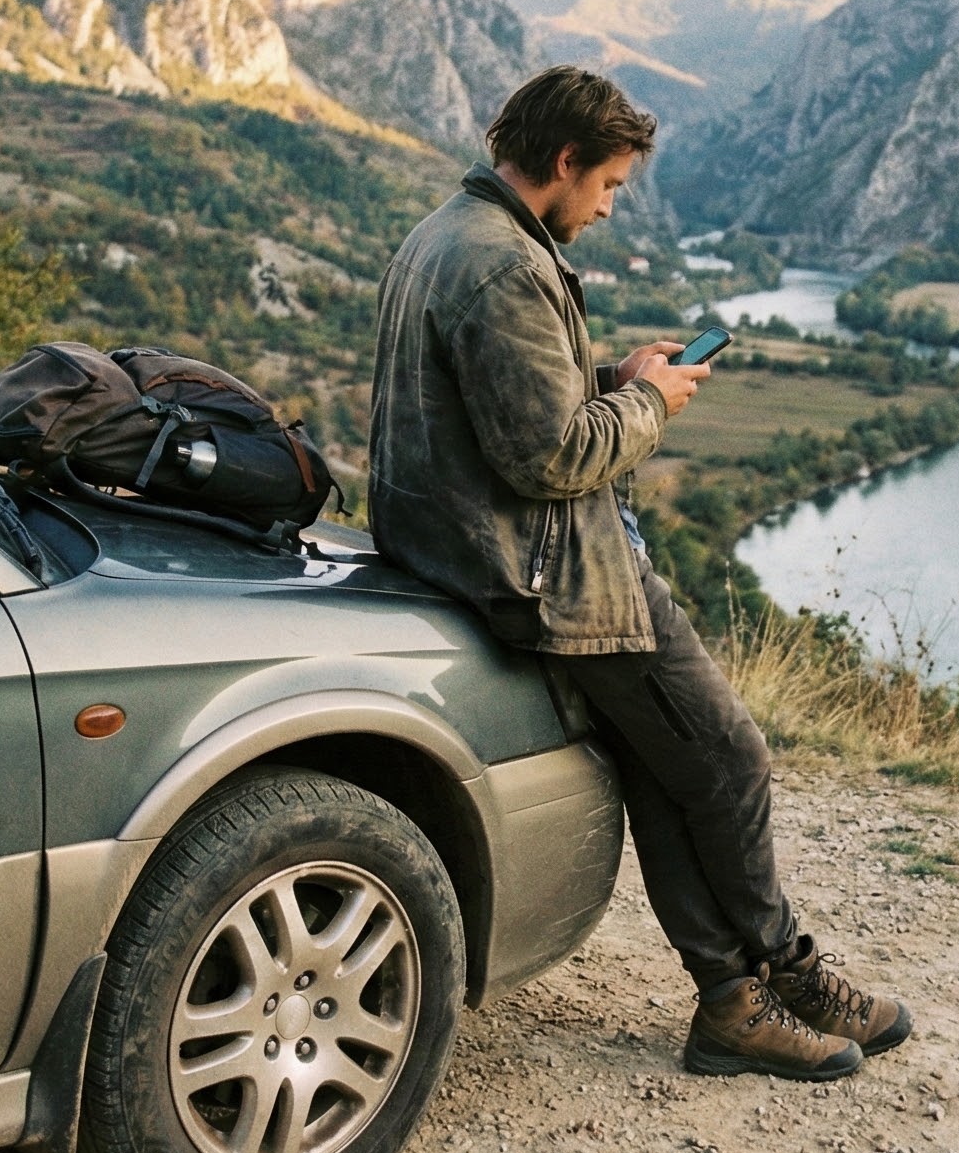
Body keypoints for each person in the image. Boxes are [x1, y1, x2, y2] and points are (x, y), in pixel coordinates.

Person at [368, 65, 911, 1081]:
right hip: (544, 571)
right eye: (610, 185)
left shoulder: (451, 231)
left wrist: (609, 376)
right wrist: (652, 403)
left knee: (672, 768)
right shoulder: (503, 263)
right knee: (731, 758)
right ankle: (790, 974)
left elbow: (503, 403)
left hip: (471, 550)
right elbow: (553, 456)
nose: (611, 207)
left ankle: (734, 1003)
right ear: (564, 159)